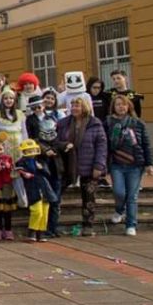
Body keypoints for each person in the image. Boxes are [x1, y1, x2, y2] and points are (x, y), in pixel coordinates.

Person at [58, 97, 107, 236]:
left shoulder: (94, 123)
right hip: (68, 164)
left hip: (89, 164)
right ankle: (51, 223)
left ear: (84, 107)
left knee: (88, 197)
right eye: (72, 105)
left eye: (77, 105)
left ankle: (88, 225)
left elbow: (102, 145)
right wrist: (64, 145)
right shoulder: (64, 123)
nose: (74, 108)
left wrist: (99, 165)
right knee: (56, 191)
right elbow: (56, 140)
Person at [106, 95, 153, 236]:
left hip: (135, 165)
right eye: (118, 104)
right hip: (117, 164)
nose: (121, 107)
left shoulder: (138, 123)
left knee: (132, 196)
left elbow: (146, 144)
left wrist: (149, 163)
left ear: (128, 107)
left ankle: (131, 224)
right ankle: (119, 210)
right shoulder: (108, 122)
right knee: (119, 192)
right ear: (113, 107)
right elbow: (105, 143)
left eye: (124, 104)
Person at [16, 139, 54, 243]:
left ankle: (41, 231)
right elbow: (18, 169)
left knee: (45, 211)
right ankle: (32, 230)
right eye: (28, 150)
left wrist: (41, 168)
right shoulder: (22, 161)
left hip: (44, 187)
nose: (31, 152)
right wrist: (24, 173)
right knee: (37, 211)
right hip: (32, 188)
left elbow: (48, 173)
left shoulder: (40, 160)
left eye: (32, 150)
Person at [0, 89, 27, 161]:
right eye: (6, 98)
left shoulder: (20, 113)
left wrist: (25, 143)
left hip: (18, 142)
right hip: (5, 143)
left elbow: (24, 131)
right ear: (2, 100)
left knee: (19, 162)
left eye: (11, 98)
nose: (8, 100)